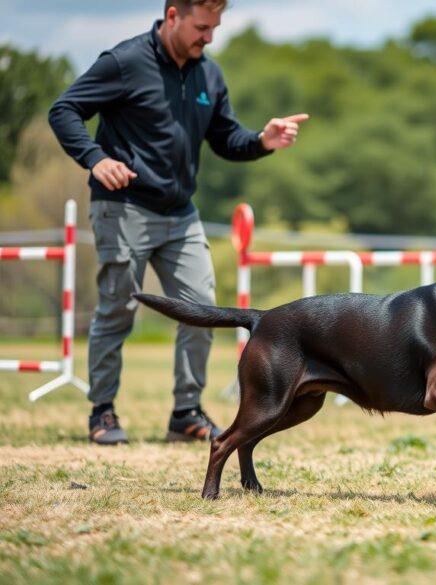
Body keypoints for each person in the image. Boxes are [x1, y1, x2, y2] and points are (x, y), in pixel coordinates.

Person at [48, 0, 308, 445]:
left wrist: (261, 141)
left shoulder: (208, 75)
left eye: (215, 28)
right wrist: (95, 158)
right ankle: (103, 413)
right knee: (117, 309)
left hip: (181, 214)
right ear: (173, 16)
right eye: (202, 27)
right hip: (123, 207)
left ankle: (185, 412)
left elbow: (227, 140)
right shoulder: (124, 62)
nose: (208, 37)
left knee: (202, 309)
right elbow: (65, 110)